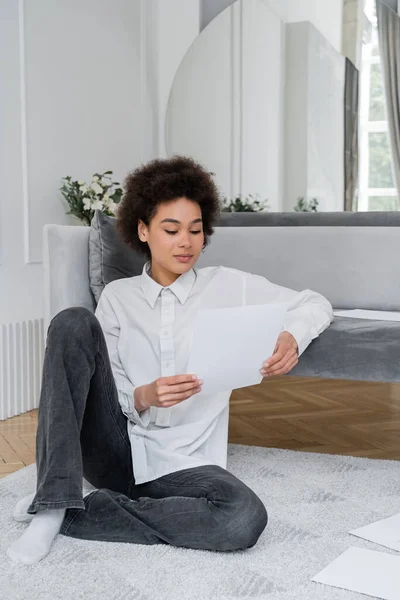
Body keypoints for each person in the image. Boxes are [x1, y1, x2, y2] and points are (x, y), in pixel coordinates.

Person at [7, 156, 333, 565]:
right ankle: (53, 503)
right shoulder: (119, 297)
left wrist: (292, 336)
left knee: (242, 517)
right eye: (172, 229)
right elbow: (111, 389)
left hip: (183, 463)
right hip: (114, 448)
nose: (186, 242)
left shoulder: (229, 285)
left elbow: (315, 303)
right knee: (72, 321)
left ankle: (79, 513)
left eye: (196, 230)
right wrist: (143, 395)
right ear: (143, 230)